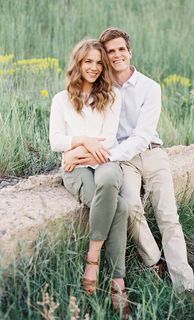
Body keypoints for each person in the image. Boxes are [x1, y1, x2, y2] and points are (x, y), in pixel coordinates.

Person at [64, 29, 194, 294]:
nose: (116, 56)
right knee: (132, 207)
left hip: (150, 152)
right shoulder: (101, 87)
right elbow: (83, 123)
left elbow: (142, 135)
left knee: (168, 216)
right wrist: (73, 151)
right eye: (110, 51)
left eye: (120, 50)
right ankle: (154, 262)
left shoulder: (150, 87)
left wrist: (102, 155)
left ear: (129, 52)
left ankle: (186, 287)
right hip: (122, 159)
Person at [49, 39, 131, 318]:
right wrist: (83, 140)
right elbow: (56, 141)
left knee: (109, 179)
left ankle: (92, 257)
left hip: (103, 162)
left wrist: (77, 152)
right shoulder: (61, 100)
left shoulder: (110, 97)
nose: (94, 68)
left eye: (99, 62)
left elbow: (108, 140)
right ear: (78, 63)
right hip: (76, 171)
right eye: (88, 62)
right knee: (120, 207)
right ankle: (118, 281)